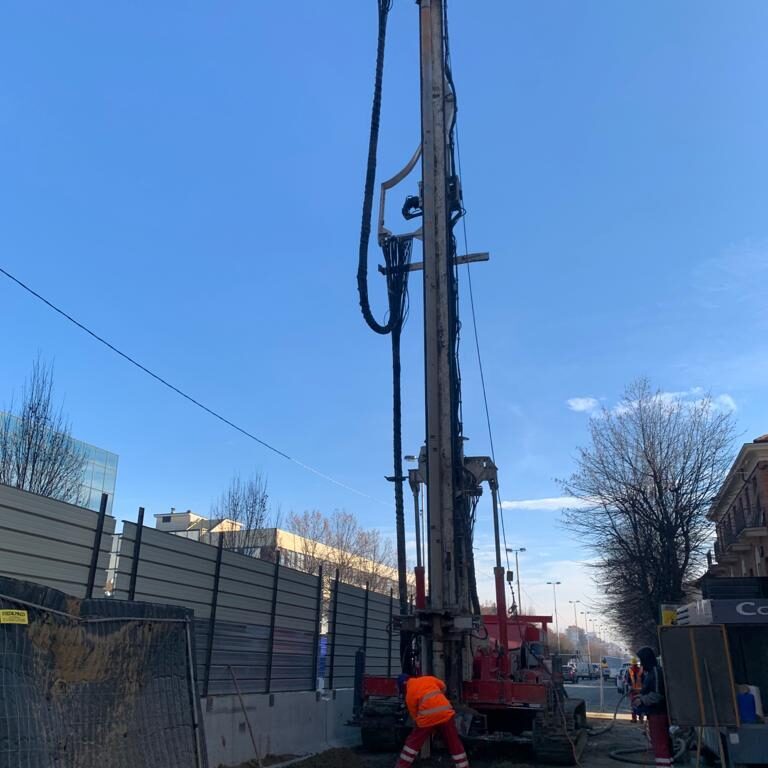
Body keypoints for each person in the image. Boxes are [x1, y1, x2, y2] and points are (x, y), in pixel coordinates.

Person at [395, 674, 469, 768]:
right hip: (445, 713)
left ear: (403, 685)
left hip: (427, 719)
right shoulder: (428, 679)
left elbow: (414, 714)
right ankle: (463, 766)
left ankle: (402, 765)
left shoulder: (409, 694)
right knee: (454, 742)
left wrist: (421, 724)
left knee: (413, 743)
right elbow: (443, 686)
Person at [631, 647, 672, 767]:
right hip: (654, 714)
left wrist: (641, 700)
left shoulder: (655, 672)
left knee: (660, 744)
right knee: (660, 743)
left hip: (658, 714)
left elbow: (658, 694)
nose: (641, 663)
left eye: (642, 659)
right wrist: (640, 695)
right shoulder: (651, 672)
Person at [626, 657, 644, 723]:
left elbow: (627, 680)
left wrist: (629, 686)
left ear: (632, 664)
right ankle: (641, 719)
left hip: (633, 690)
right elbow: (644, 679)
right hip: (640, 690)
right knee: (640, 704)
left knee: (633, 705)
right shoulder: (641, 670)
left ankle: (634, 719)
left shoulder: (630, 670)